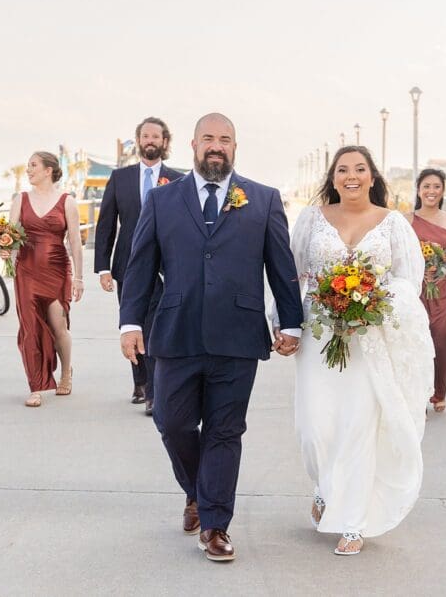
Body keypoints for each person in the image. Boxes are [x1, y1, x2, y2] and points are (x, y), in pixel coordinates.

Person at [119, 113, 302, 563]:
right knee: (172, 421)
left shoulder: (262, 199)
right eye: (208, 139)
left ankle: (215, 524)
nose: (216, 146)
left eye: (225, 139)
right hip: (175, 332)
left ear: (235, 147)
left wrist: (291, 322)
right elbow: (140, 265)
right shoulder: (162, 200)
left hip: (238, 336)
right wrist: (130, 323)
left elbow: (280, 266)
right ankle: (197, 491)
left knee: (225, 430)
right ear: (193, 146)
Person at [291, 145, 433, 556]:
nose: (351, 176)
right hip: (318, 336)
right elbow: (294, 272)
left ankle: (352, 521)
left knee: (358, 426)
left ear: (373, 177)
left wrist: (369, 302)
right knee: (315, 426)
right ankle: (323, 488)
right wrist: (284, 322)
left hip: (371, 339)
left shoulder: (392, 224)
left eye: (359, 169)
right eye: (342, 170)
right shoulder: (312, 219)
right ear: (332, 178)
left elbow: (409, 281)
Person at [95, 117, 184, 414]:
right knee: (132, 323)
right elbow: (106, 224)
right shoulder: (120, 178)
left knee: (156, 325)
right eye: (145, 136)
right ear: (138, 141)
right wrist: (103, 268)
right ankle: (140, 381)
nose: (150, 141)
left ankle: (153, 392)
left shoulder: (177, 179)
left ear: (164, 142)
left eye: (155, 136)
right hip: (127, 266)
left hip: (165, 268)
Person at [2, 152, 84, 407]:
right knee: (30, 328)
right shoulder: (21, 199)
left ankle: (66, 371)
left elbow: (75, 243)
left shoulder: (66, 201)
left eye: (33, 165)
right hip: (26, 271)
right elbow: (10, 234)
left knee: (58, 327)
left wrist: (78, 278)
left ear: (49, 170)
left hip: (57, 271)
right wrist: (6, 251)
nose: (28, 170)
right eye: (27, 166)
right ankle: (35, 385)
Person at [410, 168, 446, 413]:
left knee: (440, 339)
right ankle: (418, 394)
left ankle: (439, 391)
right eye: (426, 186)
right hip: (414, 289)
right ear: (419, 190)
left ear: (442, 191)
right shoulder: (406, 220)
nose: (431, 191)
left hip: (442, 289)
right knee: (416, 341)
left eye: (436, 187)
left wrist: (443, 270)